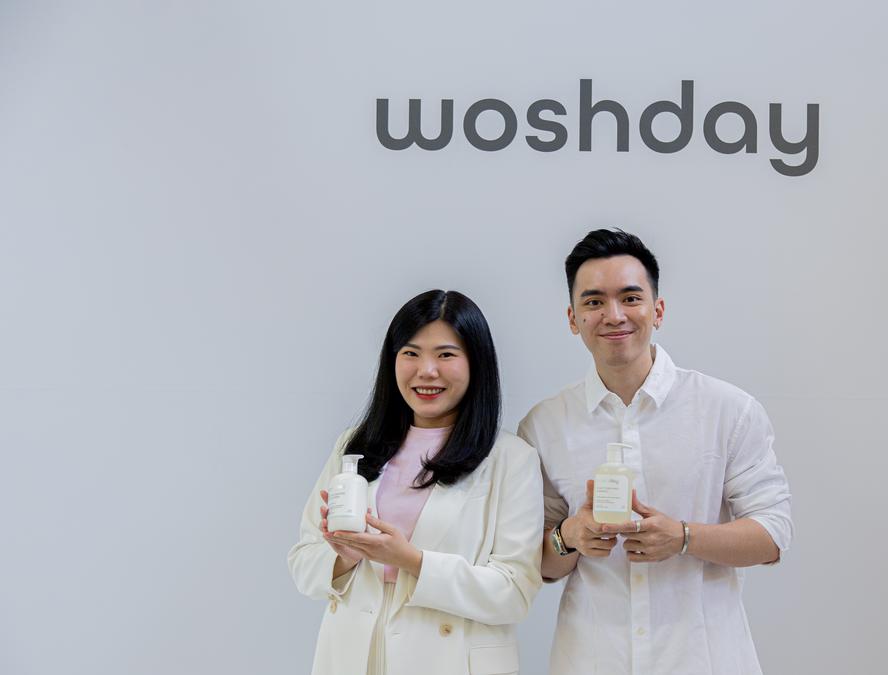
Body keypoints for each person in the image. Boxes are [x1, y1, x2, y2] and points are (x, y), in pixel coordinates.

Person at [518, 229, 793, 675]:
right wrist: (569, 535)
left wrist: (683, 537)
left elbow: (773, 535)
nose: (614, 315)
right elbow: (539, 563)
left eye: (630, 298)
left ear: (657, 310)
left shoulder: (727, 410)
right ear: (573, 318)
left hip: (704, 659)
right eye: (594, 302)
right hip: (592, 660)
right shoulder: (544, 424)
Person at [288, 290, 543, 675]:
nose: (426, 371)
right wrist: (345, 556)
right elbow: (303, 562)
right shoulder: (355, 445)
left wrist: (411, 560)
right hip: (354, 655)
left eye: (446, 355)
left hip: (448, 660)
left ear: (476, 362)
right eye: (411, 353)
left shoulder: (510, 458)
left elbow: (515, 591)